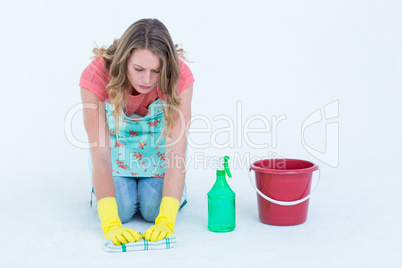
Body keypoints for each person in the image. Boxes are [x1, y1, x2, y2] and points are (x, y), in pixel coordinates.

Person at [79, 18, 194, 246]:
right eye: (139, 69)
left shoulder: (179, 75)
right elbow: (100, 156)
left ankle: (169, 191)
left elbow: (176, 153)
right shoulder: (97, 74)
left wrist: (166, 219)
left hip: (158, 149)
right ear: (124, 60)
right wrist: (110, 223)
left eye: (156, 71)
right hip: (116, 151)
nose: (147, 80)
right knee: (120, 210)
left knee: (153, 210)